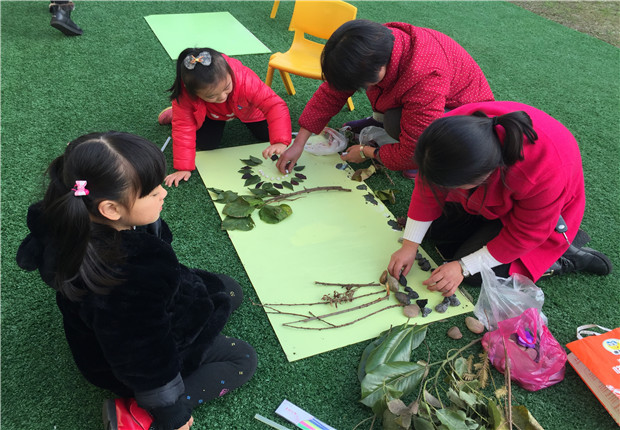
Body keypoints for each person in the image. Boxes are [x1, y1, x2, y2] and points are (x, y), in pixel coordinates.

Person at [16, 132, 257, 430]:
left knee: (229, 290)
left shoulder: (71, 217)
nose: (164, 193)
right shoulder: (127, 278)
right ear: (110, 209)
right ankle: (137, 415)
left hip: (114, 328)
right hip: (124, 361)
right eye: (152, 193)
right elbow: (143, 356)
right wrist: (171, 414)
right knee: (243, 359)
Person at [387, 101, 612, 296]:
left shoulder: (540, 172)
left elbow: (525, 234)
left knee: (478, 275)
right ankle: (482, 229)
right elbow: (427, 188)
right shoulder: (444, 135)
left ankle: (562, 255)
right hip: (489, 198)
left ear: (484, 176)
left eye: (452, 186)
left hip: (538, 218)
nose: (443, 189)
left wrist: (463, 267)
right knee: (433, 231)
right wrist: (410, 245)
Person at [276, 20, 494, 176]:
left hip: (466, 120)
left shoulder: (425, 79)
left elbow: (414, 150)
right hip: (429, 96)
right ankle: (379, 123)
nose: (359, 88)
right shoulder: (374, 45)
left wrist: (367, 152)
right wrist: (299, 143)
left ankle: (421, 164)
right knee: (389, 113)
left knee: (397, 126)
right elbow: (330, 94)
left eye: (360, 85)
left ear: (379, 68)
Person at [159, 48, 292, 187]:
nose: (222, 97)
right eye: (211, 96)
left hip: (246, 109)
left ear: (230, 72)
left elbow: (274, 105)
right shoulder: (186, 95)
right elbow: (183, 128)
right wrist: (183, 168)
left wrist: (280, 141)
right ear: (194, 93)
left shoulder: (244, 80)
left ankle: (204, 105)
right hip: (211, 115)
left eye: (226, 87)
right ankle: (175, 113)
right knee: (207, 144)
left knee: (266, 135)